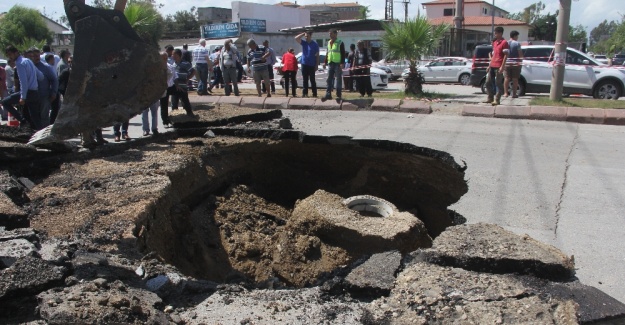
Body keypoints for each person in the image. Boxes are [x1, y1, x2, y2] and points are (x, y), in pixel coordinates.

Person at [2, 45, 43, 129]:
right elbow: (41, 76)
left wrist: (23, 97)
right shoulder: (28, 60)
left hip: (27, 92)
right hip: (35, 92)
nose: (10, 57)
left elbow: (23, 82)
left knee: (4, 102)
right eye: (8, 55)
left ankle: (23, 120)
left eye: (10, 54)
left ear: (16, 52)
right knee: (35, 117)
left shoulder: (19, 63)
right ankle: (41, 135)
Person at [30, 47, 58, 129]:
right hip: (31, 97)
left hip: (44, 96)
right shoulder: (28, 67)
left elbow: (54, 80)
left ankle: (44, 135)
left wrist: (53, 93)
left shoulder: (46, 67)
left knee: (44, 117)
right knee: (33, 117)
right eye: (34, 56)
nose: (37, 58)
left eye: (38, 55)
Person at [483, 26, 508, 106]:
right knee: (488, 82)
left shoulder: (504, 43)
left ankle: (497, 99)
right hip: (492, 65)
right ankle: (490, 98)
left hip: (499, 65)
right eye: (495, 33)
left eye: (496, 33)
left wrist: (502, 66)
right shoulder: (494, 43)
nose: (495, 34)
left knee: (498, 83)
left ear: (500, 33)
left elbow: (505, 55)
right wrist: (489, 66)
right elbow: (493, 55)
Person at [295, 30, 319, 98]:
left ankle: (314, 93)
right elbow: (296, 38)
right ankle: (305, 93)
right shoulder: (304, 43)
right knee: (305, 79)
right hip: (304, 63)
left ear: (310, 36)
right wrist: (303, 33)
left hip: (311, 64)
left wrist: (316, 64)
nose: (306, 37)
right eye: (305, 36)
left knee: (312, 80)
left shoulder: (315, 44)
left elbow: (317, 55)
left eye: (307, 36)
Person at [323, 28, 346, 100]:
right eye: (329, 34)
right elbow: (328, 52)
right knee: (329, 79)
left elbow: (343, 53)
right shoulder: (329, 42)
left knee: (338, 79)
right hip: (330, 63)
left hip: (337, 63)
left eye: (331, 34)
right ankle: (328, 93)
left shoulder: (340, 42)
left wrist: (342, 63)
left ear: (335, 34)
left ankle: (338, 94)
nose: (330, 35)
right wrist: (325, 62)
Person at [503, 30, 523, 98]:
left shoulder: (506, 43)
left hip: (507, 63)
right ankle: (514, 94)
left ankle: (505, 93)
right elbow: (520, 54)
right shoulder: (517, 44)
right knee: (515, 79)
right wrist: (521, 61)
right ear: (514, 36)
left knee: (506, 78)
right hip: (515, 63)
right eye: (517, 36)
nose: (517, 37)